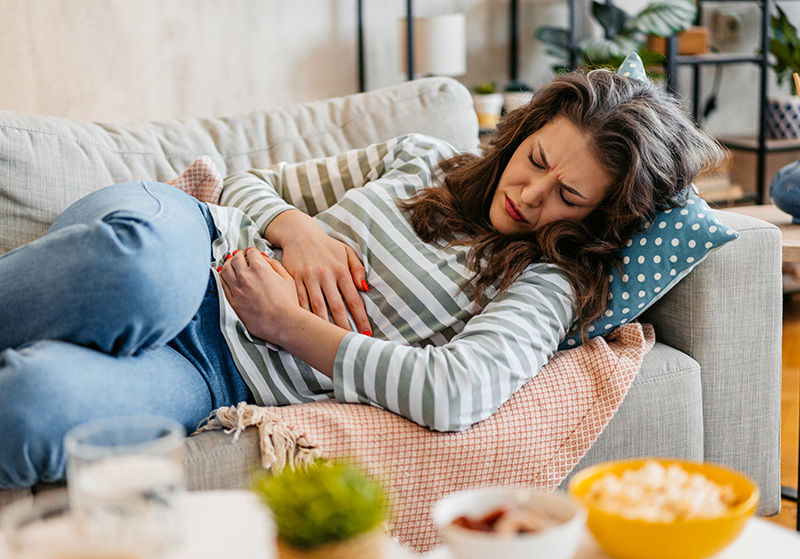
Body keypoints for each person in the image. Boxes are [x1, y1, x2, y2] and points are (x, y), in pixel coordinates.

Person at [0, 66, 725, 488]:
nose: (530, 195)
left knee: (31, 409)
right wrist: (299, 230)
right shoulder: (421, 160)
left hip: (214, 372)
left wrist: (288, 326)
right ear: (524, 132)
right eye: (536, 160)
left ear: (600, 219)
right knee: (136, 275)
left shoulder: (543, 286)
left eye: (568, 196)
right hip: (189, 242)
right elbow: (251, 183)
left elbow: (457, 391)